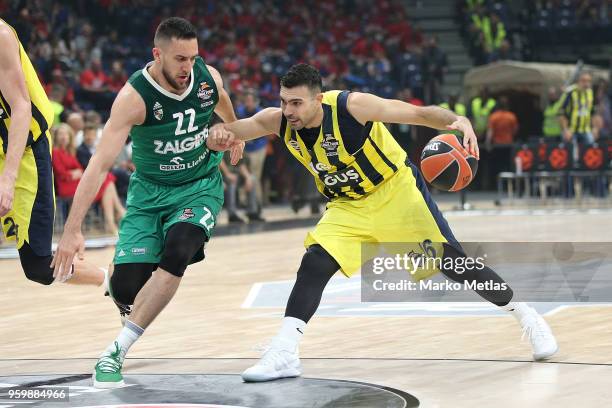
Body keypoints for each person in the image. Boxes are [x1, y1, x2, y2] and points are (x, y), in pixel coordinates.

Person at [213, 63, 558, 382]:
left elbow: (419, 114)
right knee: (315, 262)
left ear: (318, 99)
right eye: (284, 102)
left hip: (396, 193)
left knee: (454, 263)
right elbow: (236, 130)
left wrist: (458, 120)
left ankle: (526, 315)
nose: (289, 111)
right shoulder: (280, 120)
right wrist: (216, 136)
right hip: (349, 205)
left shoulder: (352, 107)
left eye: (297, 103)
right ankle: (285, 351)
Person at [52, 17, 243, 388]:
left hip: (198, 185)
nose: (188, 68)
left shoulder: (208, 77)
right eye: (179, 59)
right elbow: (98, 164)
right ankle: (116, 278)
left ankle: (115, 352)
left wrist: (233, 131)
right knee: (126, 287)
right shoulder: (134, 98)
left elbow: (221, 99)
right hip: (149, 194)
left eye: (193, 58)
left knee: (179, 250)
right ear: (157, 54)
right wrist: (72, 229)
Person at [0, 18, 106, 287]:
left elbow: (22, 107)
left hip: (23, 152)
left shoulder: (1, 36)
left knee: (37, 265)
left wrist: (7, 179)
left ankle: (113, 283)